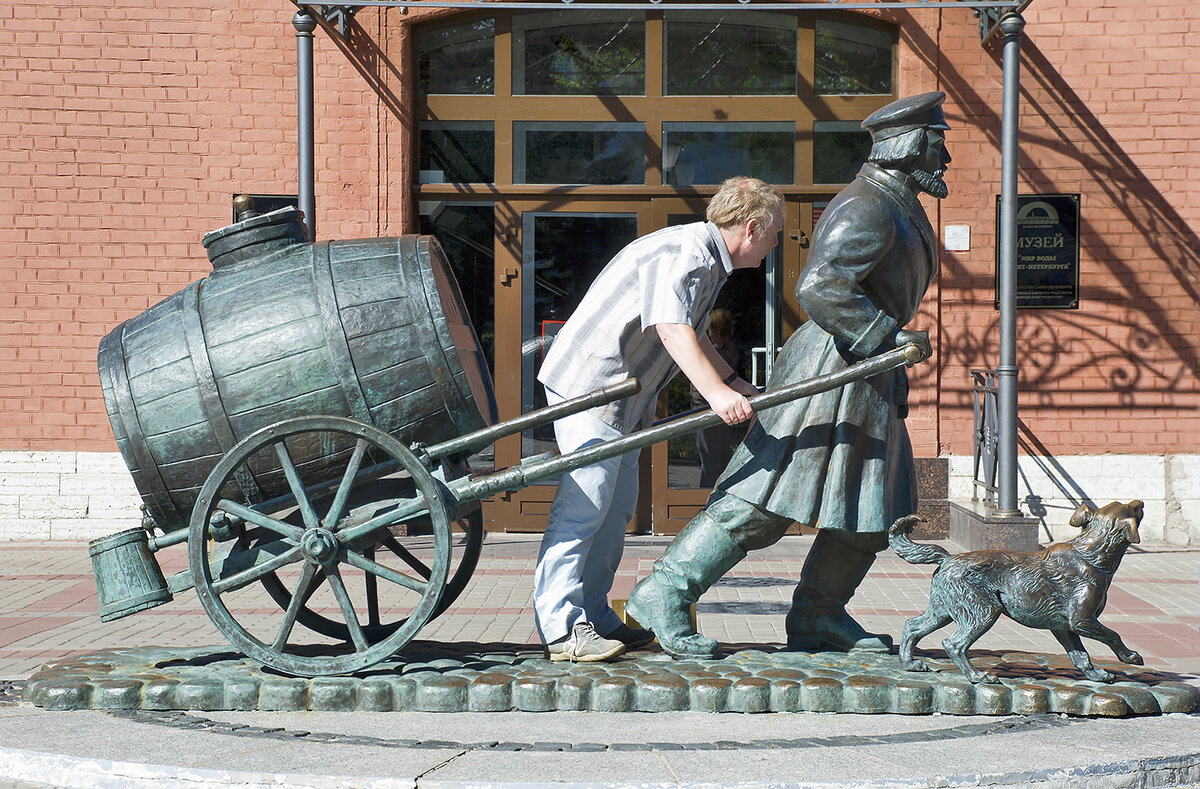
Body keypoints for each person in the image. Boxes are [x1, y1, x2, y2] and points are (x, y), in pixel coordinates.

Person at [625, 92, 951, 660]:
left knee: (873, 512)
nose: (944, 156)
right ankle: (664, 592)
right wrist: (887, 336)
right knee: (765, 499)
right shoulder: (868, 206)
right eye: (937, 142)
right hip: (834, 370)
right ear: (910, 147)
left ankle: (819, 615)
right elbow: (821, 287)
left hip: (864, 379)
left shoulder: (897, 202)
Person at [534, 176, 784, 662]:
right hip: (590, 386)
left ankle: (595, 614)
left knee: (616, 507)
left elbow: (696, 335)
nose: (776, 245)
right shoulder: (688, 253)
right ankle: (562, 628)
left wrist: (734, 384)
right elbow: (670, 328)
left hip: (621, 398)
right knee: (586, 504)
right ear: (752, 228)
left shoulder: (710, 262)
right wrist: (714, 393)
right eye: (774, 235)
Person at [690, 309, 748, 487]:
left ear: (713, 328)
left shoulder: (712, 353)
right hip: (723, 403)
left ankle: (707, 492)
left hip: (705, 404)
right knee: (720, 453)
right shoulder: (733, 350)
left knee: (709, 454)